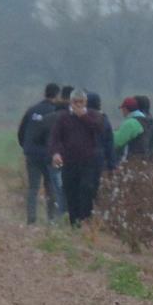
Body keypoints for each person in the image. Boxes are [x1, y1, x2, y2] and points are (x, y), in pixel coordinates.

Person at [49, 89, 103, 227]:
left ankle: (85, 219)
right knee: (70, 191)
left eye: (81, 102)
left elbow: (99, 129)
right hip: (69, 161)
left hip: (88, 161)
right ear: (70, 102)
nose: (78, 104)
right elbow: (55, 138)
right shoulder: (63, 117)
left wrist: (83, 116)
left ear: (85, 102)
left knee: (86, 188)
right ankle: (75, 224)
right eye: (75, 102)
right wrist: (56, 153)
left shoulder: (93, 115)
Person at [17, 83, 60, 224]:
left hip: (32, 154)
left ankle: (31, 218)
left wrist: (26, 147)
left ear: (45, 93)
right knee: (51, 186)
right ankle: (51, 218)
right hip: (49, 155)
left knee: (33, 187)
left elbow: (21, 132)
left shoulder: (32, 110)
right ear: (57, 95)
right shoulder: (56, 112)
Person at [38, 85, 74, 218]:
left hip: (53, 158)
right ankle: (70, 216)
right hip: (72, 158)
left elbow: (38, 138)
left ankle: (58, 217)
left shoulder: (48, 118)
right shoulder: (76, 117)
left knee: (57, 189)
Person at [87, 92, 116, 201]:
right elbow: (109, 143)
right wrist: (112, 165)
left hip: (82, 158)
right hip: (99, 158)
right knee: (97, 187)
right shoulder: (104, 120)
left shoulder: (80, 118)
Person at [114, 97, 153, 161]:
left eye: (122, 109)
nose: (122, 112)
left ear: (125, 109)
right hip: (143, 157)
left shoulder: (131, 123)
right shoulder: (144, 120)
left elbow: (118, 141)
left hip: (132, 159)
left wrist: (108, 134)